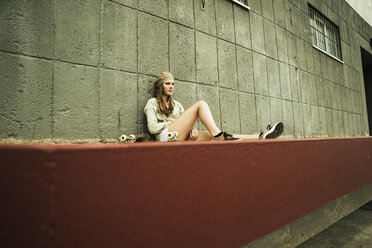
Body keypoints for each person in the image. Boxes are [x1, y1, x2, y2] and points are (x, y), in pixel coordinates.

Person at [144, 72, 283, 142]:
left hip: (181, 137)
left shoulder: (177, 105)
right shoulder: (151, 103)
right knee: (201, 104)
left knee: (213, 135)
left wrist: (193, 129)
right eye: (168, 84)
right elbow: (151, 128)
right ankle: (219, 135)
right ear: (160, 85)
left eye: (173, 84)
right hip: (165, 137)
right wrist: (166, 124)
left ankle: (259, 136)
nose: (171, 87)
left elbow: (184, 123)